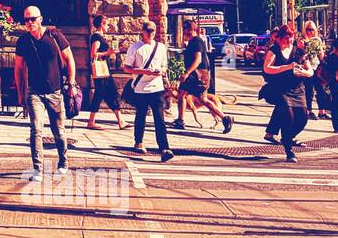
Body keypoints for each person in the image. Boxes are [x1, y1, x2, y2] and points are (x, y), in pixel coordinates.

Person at [14, 5, 75, 180]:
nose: (30, 22)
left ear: (41, 19)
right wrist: (20, 93)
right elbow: (18, 68)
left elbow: (69, 59)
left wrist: (70, 83)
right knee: (36, 129)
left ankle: (63, 162)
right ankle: (37, 169)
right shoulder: (23, 41)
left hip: (55, 92)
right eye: (26, 19)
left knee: (59, 131)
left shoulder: (55, 36)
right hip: (34, 93)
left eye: (33, 19)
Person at [261, 25, 313, 162]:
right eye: (286, 37)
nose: (289, 40)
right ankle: (289, 151)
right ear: (280, 38)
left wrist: (305, 73)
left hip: (298, 89)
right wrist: (287, 67)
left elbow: (310, 70)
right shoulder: (274, 50)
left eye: (291, 37)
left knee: (302, 119)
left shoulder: (299, 51)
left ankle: (286, 138)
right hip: (282, 89)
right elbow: (267, 68)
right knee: (288, 118)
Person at [124, 20, 173, 161]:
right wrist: (143, 71)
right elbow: (127, 68)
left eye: (153, 31)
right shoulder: (135, 48)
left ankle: (164, 148)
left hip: (157, 88)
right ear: (143, 32)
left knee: (160, 119)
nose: (151, 34)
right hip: (140, 88)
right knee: (141, 116)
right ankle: (138, 141)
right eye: (149, 31)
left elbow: (164, 66)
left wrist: (160, 71)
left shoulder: (161, 47)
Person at [177, 18, 234, 133]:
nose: (185, 32)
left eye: (186, 29)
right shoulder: (194, 41)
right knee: (197, 98)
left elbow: (198, 60)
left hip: (196, 76)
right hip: (200, 76)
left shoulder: (196, 41)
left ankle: (181, 121)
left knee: (185, 95)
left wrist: (187, 73)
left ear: (191, 29)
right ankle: (225, 118)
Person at [83, 14, 126, 130]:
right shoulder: (96, 37)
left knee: (111, 93)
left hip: (105, 70)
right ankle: (91, 122)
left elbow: (105, 53)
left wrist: (113, 51)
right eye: (107, 24)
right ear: (101, 25)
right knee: (99, 94)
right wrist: (107, 53)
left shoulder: (100, 36)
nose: (108, 27)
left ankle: (121, 121)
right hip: (101, 71)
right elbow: (93, 54)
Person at [317, 32, 338, 134]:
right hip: (336, 85)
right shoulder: (335, 58)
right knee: (337, 107)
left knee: (336, 107)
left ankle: (337, 126)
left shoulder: (332, 56)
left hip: (334, 84)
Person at [299, 20, 324, 120]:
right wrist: (307, 48)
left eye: (312, 29)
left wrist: (320, 49)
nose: (310, 32)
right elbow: (301, 55)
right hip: (307, 67)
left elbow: (321, 55)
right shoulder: (301, 40)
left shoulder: (317, 40)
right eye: (308, 29)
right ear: (305, 30)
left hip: (317, 66)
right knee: (309, 90)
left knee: (321, 89)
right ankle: (309, 111)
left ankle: (322, 111)